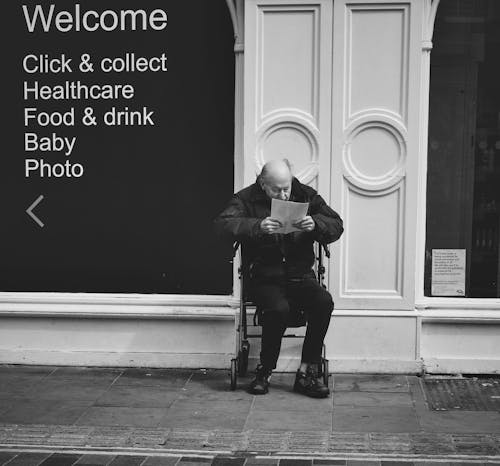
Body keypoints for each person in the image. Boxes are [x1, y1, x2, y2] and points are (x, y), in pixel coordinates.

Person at [214, 159, 343, 397]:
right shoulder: (245, 198)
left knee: (323, 302)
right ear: (263, 184)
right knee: (278, 309)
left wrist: (315, 224)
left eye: (287, 188)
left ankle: (307, 371)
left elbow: (336, 224)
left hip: (300, 274)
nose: (284, 194)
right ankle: (265, 370)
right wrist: (257, 226)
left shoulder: (304, 194)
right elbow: (222, 225)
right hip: (265, 275)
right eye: (277, 189)